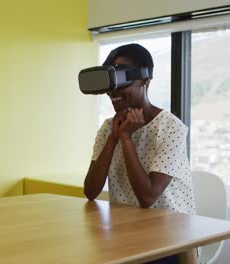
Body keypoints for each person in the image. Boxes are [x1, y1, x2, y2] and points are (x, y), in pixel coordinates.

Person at [84, 44, 196, 263]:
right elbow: (90, 190)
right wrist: (114, 137)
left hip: (169, 240)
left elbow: (147, 197)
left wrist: (126, 139)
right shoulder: (109, 128)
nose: (113, 92)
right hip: (124, 234)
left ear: (145, 79)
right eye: (110, 83)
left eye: (122, 80)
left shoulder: (171, 128)